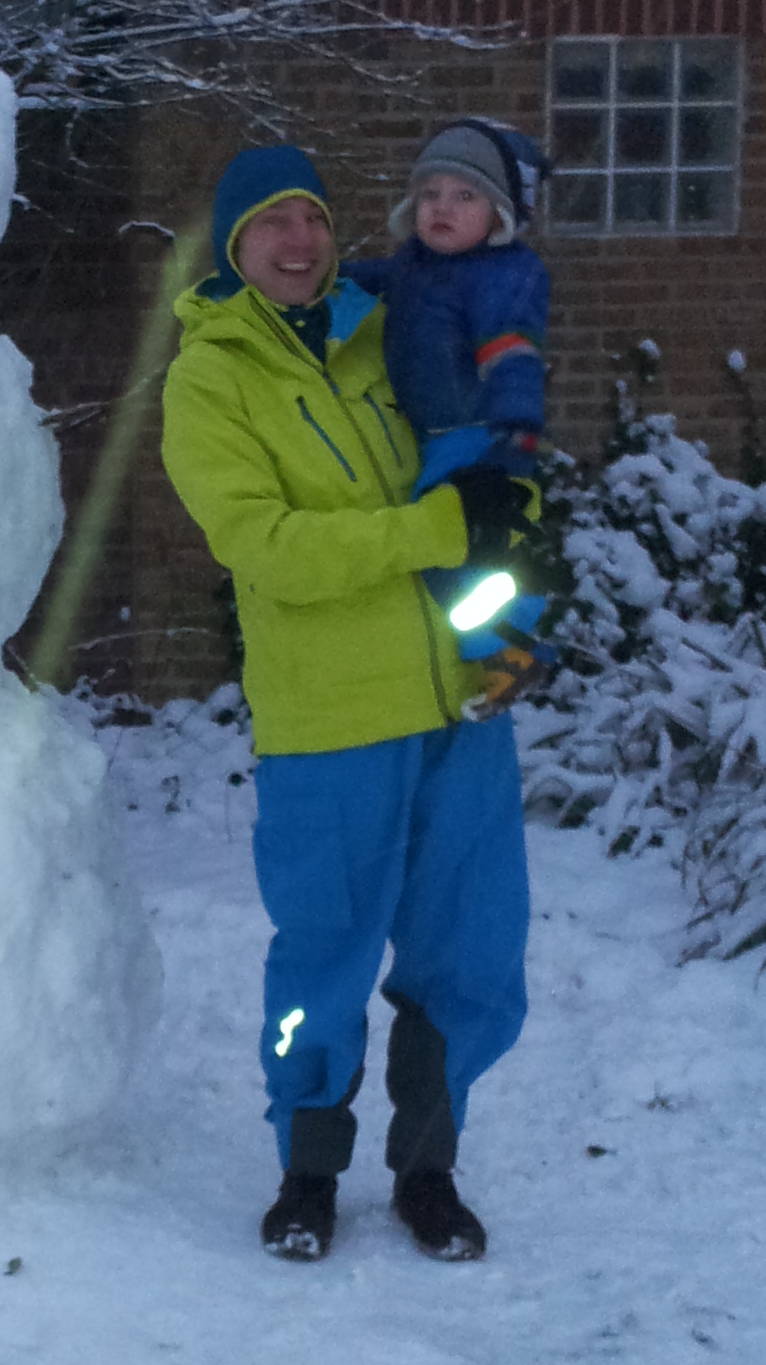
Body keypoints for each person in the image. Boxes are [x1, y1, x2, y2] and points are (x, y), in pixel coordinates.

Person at [159, 141, 539, 1262]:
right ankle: (307, 1170)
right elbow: (268, 547)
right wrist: (437, 529)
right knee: (324, 957)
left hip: (459, 707)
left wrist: (508, 534)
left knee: (468, 954)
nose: (299, 240)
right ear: (234, 246)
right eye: (272, 222)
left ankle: (429, 1168)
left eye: (315, 218)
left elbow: (488, 446)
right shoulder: (210, 379)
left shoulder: (390, 331)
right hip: (329, 723)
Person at [343, 117, 553, 709]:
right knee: (451, 546)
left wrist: (516, 433)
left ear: (499, 214)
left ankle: (511, 645)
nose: (442, 207)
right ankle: (503, 644)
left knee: (456, 546)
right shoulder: (413, 265)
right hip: (432, 435)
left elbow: (513, 354)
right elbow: (375, 279)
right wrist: (322, 279)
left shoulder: (501, 277)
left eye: (465, 196)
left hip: (476, 433)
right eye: (430, 192)